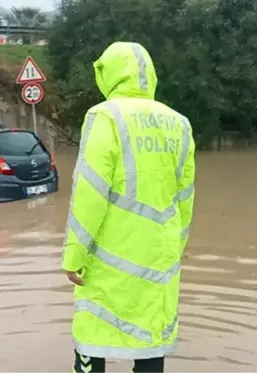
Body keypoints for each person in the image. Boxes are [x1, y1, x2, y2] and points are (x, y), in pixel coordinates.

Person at [62, 41, 196, 373]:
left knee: (93, 337)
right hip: (158, 260)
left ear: (108, 75)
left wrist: (74, 256)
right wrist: (173, 250)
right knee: (150, 342)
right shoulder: (179, 123)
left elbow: (90, 193)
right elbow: (185, 199)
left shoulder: (104, 117)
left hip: (109, 259)